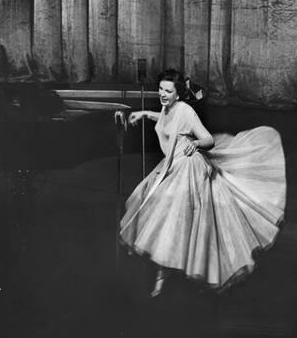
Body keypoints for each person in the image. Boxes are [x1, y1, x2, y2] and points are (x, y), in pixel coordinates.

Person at [120, 69, 286, 297]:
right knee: (159, 211)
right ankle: (165, 268)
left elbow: (208, 139)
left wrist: (196, 143)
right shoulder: (168, 108)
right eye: (160, 89)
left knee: (173, 217)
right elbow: (166, 121)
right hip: (171, 165)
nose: (163, 94)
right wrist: (145, 113)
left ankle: (169, 271)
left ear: (178, 94)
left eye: (168, 91)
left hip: (188, 166)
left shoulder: (186, 110)